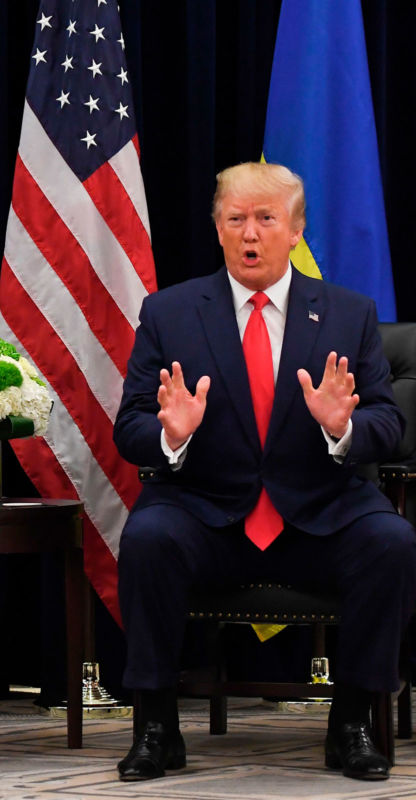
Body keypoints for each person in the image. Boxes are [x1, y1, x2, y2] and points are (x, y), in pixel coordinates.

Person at [113, 162, 416, 782]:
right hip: (205, 511)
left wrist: (343, 427)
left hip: (319, 512)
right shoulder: (169, 313)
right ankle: (156, 728)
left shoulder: (348, 314)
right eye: (236, 219)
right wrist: (170, 435)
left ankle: (352, 723)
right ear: (218, 230)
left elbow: (389, 425)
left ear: (296, 230)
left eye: (266, 219)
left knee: (392, 542)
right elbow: (130, 427)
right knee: (147, 539)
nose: (250, 234)